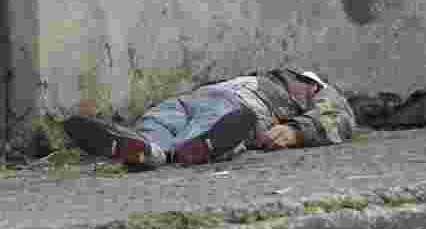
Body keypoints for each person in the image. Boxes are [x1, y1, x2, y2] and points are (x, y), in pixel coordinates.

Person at [63, 68, 355, 168]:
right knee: (158, 119)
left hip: (238, 106)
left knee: (220, 118)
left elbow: (339, 114)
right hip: (192, 99)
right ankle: (145, 148)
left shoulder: (313, 89)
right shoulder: (254, 77)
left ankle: (195, 146)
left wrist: (298, 130)